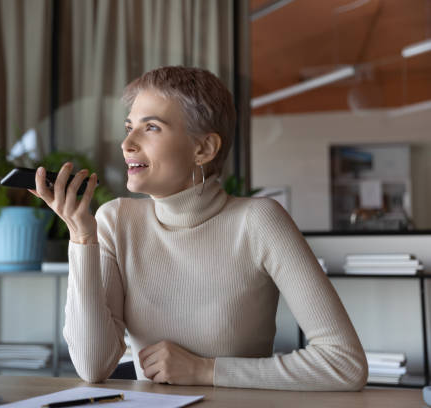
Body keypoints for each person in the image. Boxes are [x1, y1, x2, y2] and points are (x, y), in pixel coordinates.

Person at [29, 66, 368, 391]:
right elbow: (93, 366)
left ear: (204, 149)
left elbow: (344, 364)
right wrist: (82, 237)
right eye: (128, 126)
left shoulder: (259, 221)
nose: (127, 143)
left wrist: (205, 369)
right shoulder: (115, 220)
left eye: (151, 128)